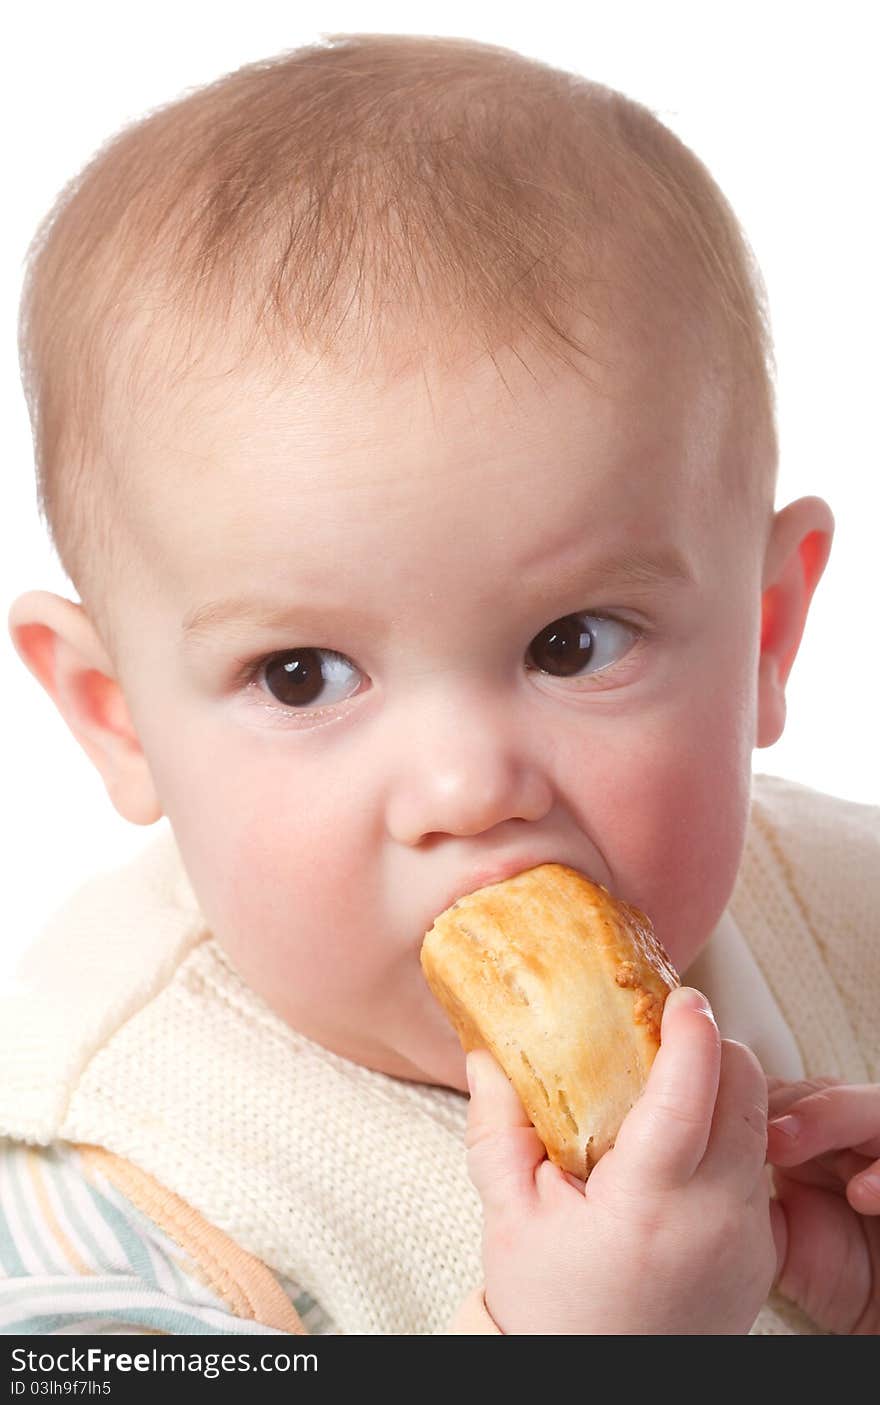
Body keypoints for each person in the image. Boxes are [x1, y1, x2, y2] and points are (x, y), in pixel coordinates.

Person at [1, 32, 877, 1336]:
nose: (468, 786)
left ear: (761, 634)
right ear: (114, 715)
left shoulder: (851, 918)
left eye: (574, 641)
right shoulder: (118, 1196)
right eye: (301, 674)